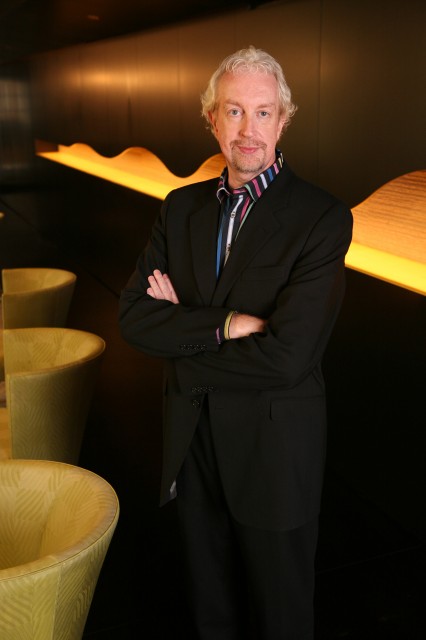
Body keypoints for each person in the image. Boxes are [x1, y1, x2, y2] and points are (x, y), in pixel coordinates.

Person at [119, 46, 353, 640]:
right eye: (234, 111)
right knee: (211, 616)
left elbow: (288, 357)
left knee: (282, 619)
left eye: (263, 112)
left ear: (284, 120)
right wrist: (227, 324)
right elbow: (134, 318)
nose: (249, 130)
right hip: (193, 448)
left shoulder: (322, 218)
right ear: (212, 119)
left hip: (274, 453)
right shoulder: (180, 209)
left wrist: (183, 335)